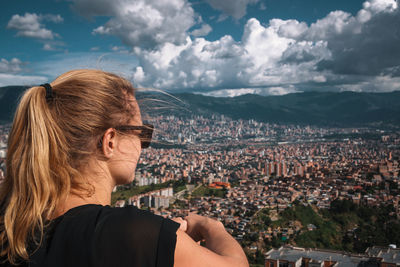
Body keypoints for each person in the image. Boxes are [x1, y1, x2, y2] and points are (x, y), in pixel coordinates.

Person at [0, 69, 249, 267]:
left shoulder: (11, 226)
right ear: (109, 141)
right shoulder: (128, 234)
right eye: (142, 133)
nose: (144, 145)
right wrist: (209, 226)